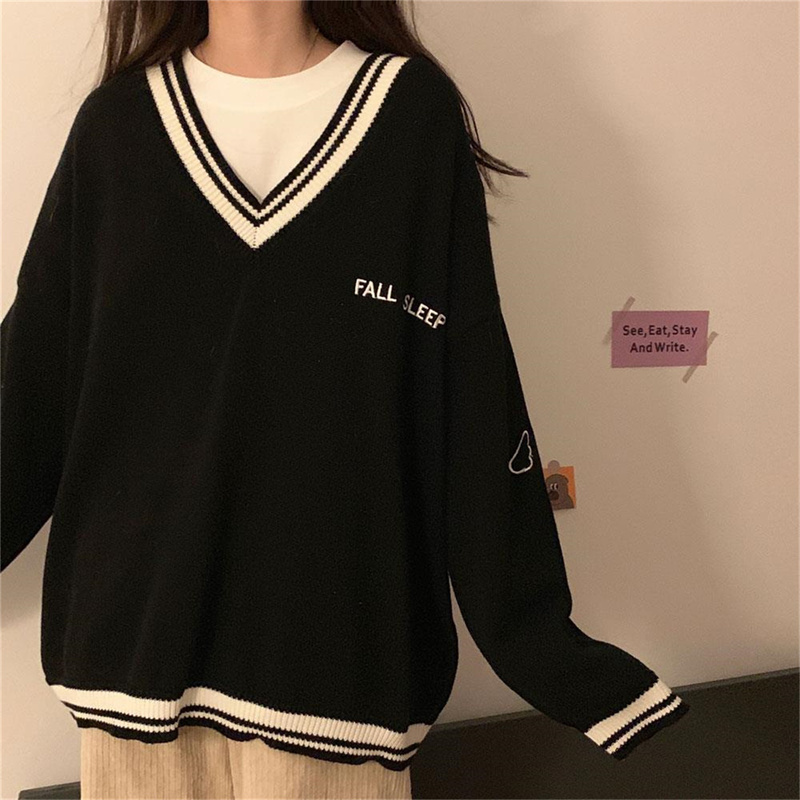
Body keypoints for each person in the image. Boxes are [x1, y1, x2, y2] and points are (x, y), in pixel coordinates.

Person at [1, 1, 690, 798]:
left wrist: (541, 645)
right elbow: (31, 391)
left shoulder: (409, 118)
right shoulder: (116, 129)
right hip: (134, 676)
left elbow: (471, 395)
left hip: (339, 677)